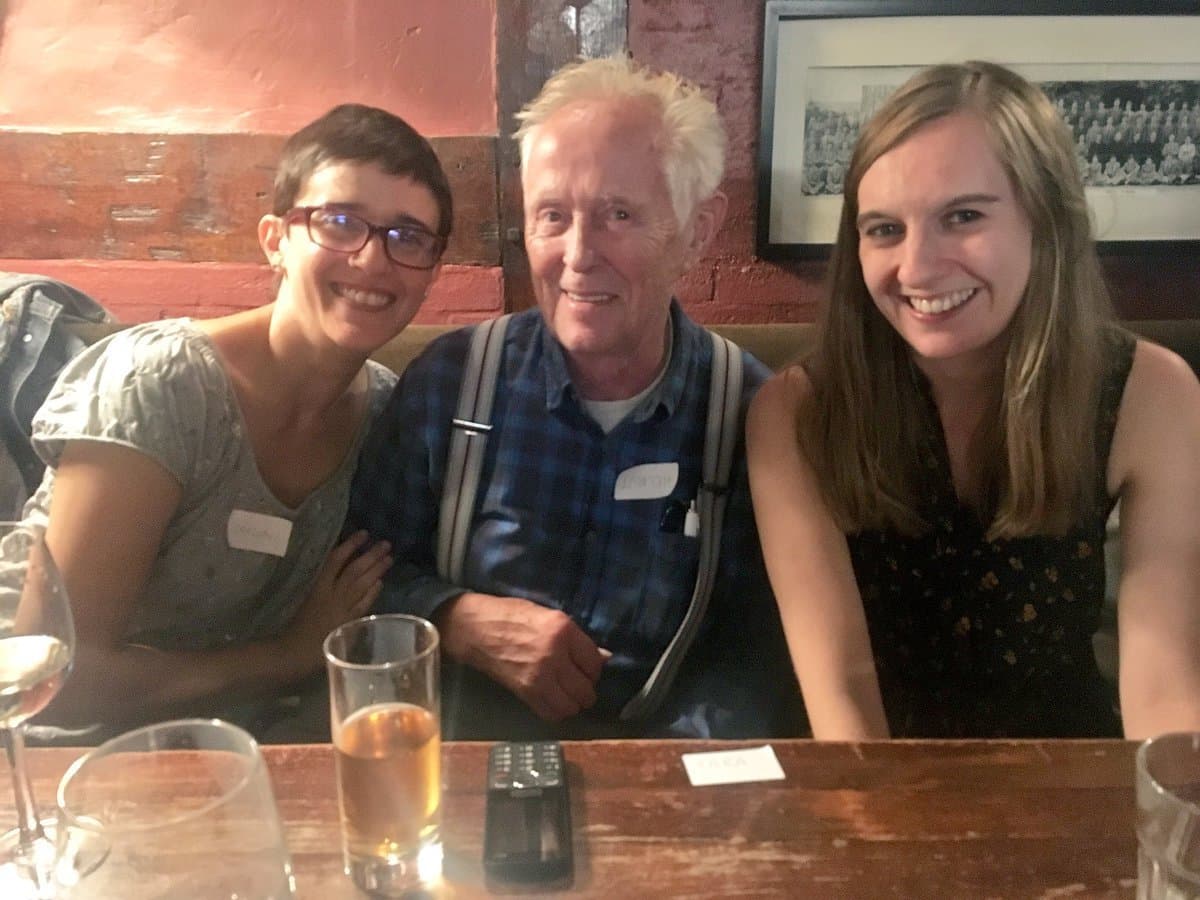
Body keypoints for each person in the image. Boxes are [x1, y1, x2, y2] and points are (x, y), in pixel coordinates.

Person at [747, 61, 1200, 740]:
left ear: (1045, 221)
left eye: (962, 217)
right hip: (872, 781)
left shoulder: (1152, 393)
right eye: (884, 229)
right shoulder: (797, 413)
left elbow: (1163, 695)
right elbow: (843, 697)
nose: (918, 267)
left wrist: (1164, 837)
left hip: (1070, 780)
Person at [349, 56, 796, 740]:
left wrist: (674, 781)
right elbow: (358, 590)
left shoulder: (748, 412)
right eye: (552, 215)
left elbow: (757, 652)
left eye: (619, 214)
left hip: (666, 775)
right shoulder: (450, 383)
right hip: (465, 768)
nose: (579, 254)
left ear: (698, 231)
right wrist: (456, 618)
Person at [23, 103, 452, 737]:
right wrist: (282, 660)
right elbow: (51, 682)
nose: (372, 260)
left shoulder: (389, 415)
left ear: (431, 273)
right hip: (47, 766)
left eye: (407, 236)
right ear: (275, 241)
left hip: (235, 752)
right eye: (339, 222)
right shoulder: (164, 386)